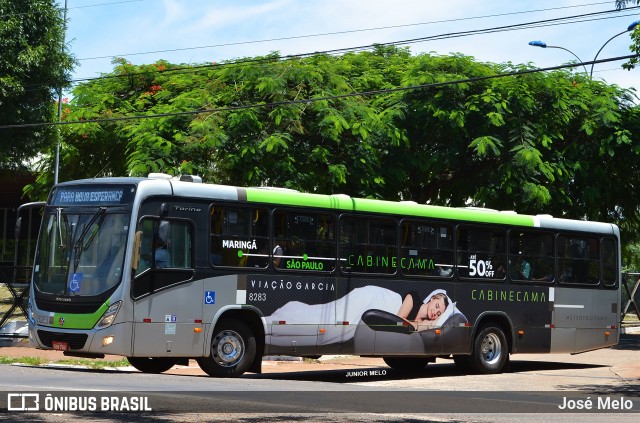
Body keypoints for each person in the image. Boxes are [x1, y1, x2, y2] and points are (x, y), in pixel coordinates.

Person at [263, 286, 458, 345]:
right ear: (432, 298)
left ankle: (279, 323)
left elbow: (407, 326)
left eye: (439, 313)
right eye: (437, 305)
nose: (436, 312)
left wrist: (424, 324)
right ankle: (270, 324)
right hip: (371, 299)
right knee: (331, 321)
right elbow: (398, 321)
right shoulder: (414, 297)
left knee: (335, 327)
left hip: (373, 311)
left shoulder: (421, 320)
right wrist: (417, 325)